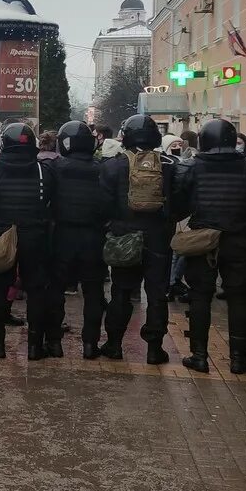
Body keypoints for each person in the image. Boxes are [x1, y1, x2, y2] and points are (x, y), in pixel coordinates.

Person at [173, 118, 246, 374]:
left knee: (200, 297)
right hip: (239, 239)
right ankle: (238, 358)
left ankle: (199, 356)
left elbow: (180, 205)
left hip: (204, 240)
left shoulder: (192, 167)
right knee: (239, 298)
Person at [98, 115, 177, 363]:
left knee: (121, 291)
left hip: (125, 238)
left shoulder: (113, 166)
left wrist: (114, 225)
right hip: (159, 239)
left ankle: (114, 344)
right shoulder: (169, 165)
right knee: (156, 294)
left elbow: (103, 204)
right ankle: (154, 349)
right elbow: (179, 202)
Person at [0, 123, 57, 359]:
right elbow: (52, 203)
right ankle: (35, 345)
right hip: (36, 236)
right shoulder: (45, 171)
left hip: (2, 237)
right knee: (36, 291)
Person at [50, 121, 110, 360]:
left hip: (61, 237)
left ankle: (54, 342)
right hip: (94, 238)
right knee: (94, 292)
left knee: (55, 291)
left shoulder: (54, 167)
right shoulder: (103, 168)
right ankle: (90, 344)